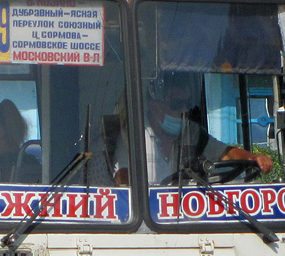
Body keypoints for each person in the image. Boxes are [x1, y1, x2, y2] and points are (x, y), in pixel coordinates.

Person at [114, 74, 273, 185]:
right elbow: (122, 177)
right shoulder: (133, 136)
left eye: (187, 104)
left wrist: (252, 157)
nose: (184, 110)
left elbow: (226, 153)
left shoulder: (192, 133)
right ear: (154, 107)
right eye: (176, 104)